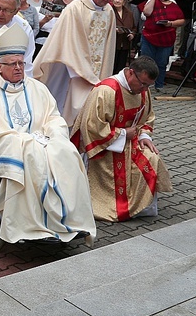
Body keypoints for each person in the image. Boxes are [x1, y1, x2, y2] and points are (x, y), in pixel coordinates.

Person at [0, 24, 96, 244]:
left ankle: (66, 219)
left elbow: (53, 117)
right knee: (30, 157)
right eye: (12, 64)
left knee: (68, 153)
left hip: (41, 144)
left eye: (21, 63)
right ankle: (27, 224)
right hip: (10, 147)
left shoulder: (36, 88)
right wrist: (22, 141)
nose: (18, 68)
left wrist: (53, 135)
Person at [71, 56, 173, 221]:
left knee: (151, 158)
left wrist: (145, 135)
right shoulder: (106, 91)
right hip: (104, 147)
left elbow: (147, 117)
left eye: (149, 85)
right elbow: (91, 127)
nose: (145, 89)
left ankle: (141, 208)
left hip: (130, 142)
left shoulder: (142, 90)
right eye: (143, 83)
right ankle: (114, 207)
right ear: (131, 73)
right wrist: (123, 134)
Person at [33, 0, 117, 127]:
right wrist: (83, 69)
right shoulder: (75, 8)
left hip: (96, 71)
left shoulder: (109, 11)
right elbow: (68, 41)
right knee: (67, 104)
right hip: (71, 67)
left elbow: (108, 45)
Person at [138, 0, 185, 92]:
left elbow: (181, 20)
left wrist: (170, 24)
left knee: (162, 63)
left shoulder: (174, 5)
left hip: (166, 39)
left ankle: (159, 85)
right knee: (146, 62)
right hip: (149, 37)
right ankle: (143, 84)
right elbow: (146, 12)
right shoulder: (153, 1)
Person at [111, 0, 136, 74]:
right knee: (112, 66)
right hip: (113, 44)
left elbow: (134, 28)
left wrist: (132, 34)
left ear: (124, 2)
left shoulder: (129, 13)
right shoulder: (109, 11)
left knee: (121, 67)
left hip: (125, 44)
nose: (117, 1)